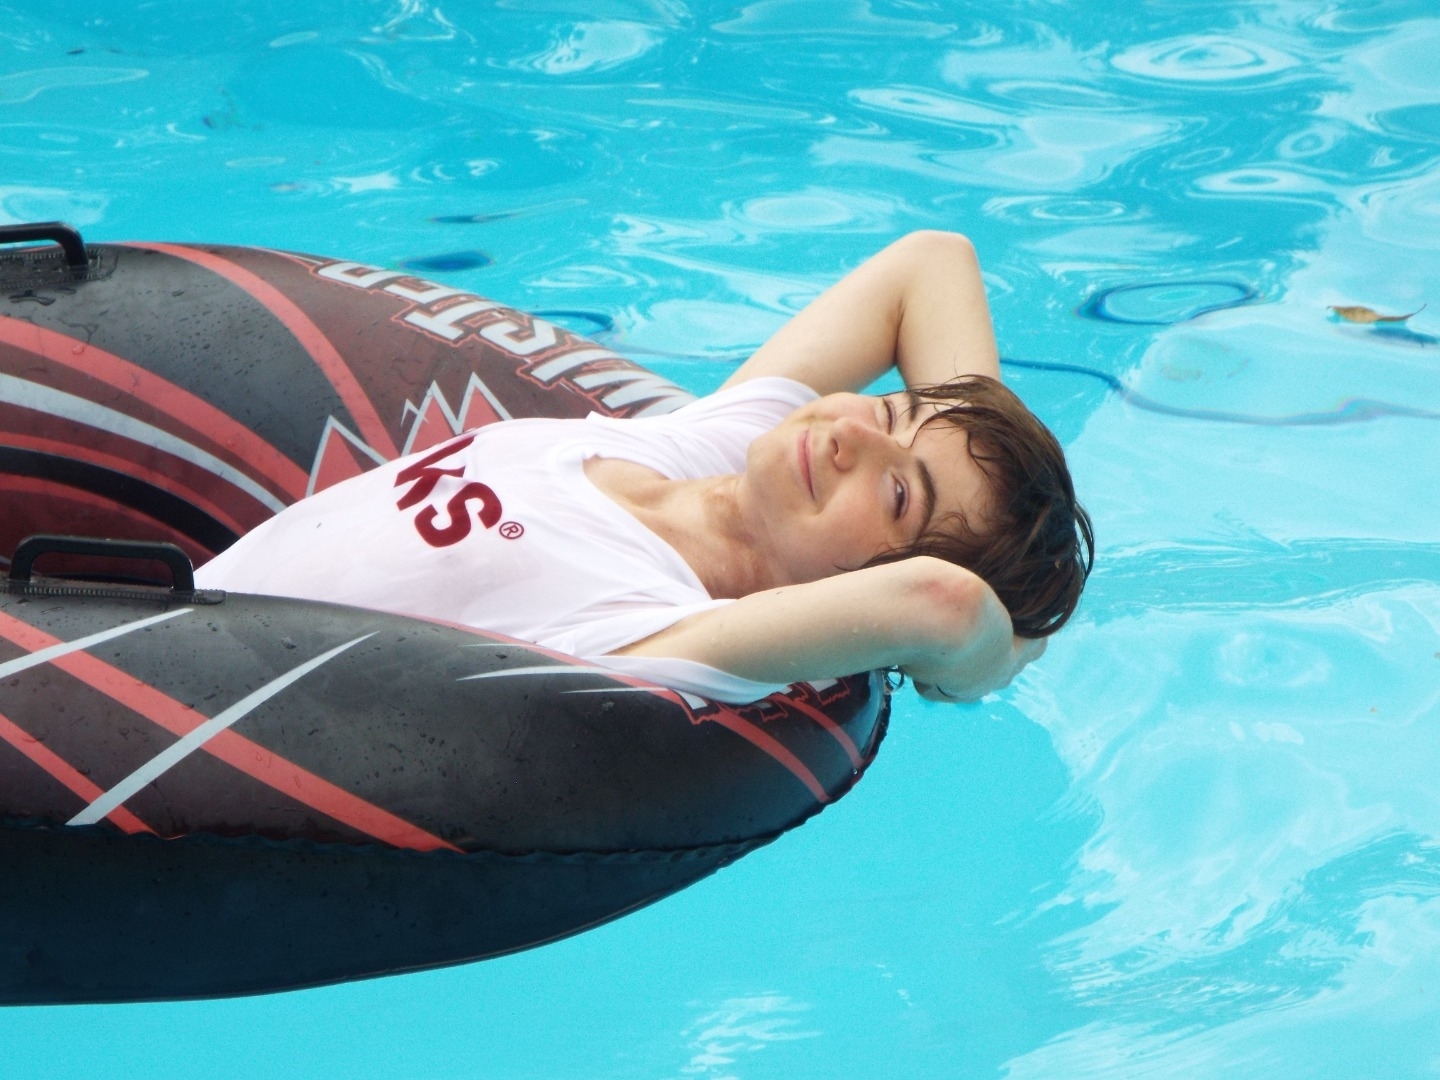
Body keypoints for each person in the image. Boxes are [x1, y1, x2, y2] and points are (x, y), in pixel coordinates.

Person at [194, 231, 1092, 704]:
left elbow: (945, 604)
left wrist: (999, 657)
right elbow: (932, 262)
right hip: (166, 598)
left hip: (162, 683)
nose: (851, 431)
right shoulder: (701, 445)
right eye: (893, 409)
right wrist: (974, 431)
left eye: (897, 495)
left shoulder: (666, 625)